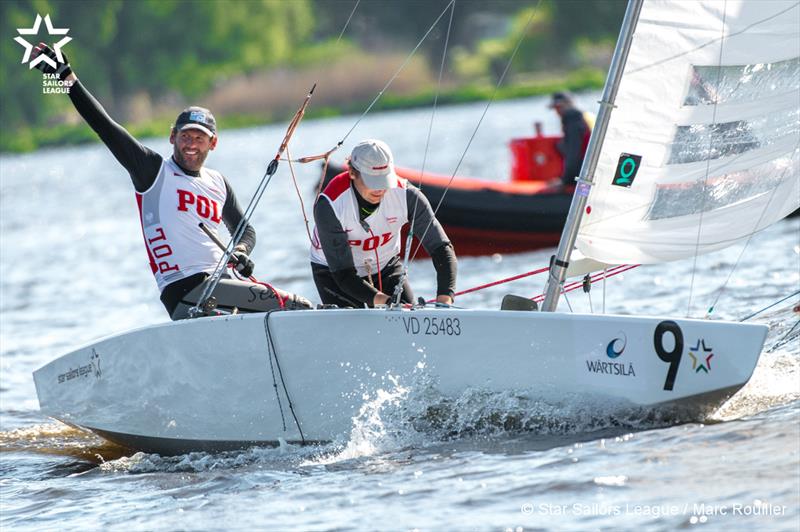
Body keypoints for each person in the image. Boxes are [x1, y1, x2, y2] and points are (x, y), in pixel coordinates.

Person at [30, 43, 312, 319]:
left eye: (199, 138)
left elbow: (244, 230)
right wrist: (67, 78)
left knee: (289, 313)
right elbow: (105, 126)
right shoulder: (152, 171)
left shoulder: (218, 183)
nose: (191, 144)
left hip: (223, 286)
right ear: (172, 137)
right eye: (185, 136)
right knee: (298, 307)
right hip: (185, 291)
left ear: (212, 144)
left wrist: (240, 250)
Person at [310, 139, 456, 308]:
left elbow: (442, 248)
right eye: (372, 182)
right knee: (359, 329)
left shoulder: (408, 196)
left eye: (384, 180)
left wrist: (445, 300)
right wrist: (387, 302)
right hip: (335, 273)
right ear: (352, 173)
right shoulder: (330, 205)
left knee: (407, 318)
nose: (379, 189)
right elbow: (344, 275)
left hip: (386, 266)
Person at [549, 91, 592, 189]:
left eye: (559, 107)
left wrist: (564, 181)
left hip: (584, 175)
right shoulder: (584, 116)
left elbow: (574, 154)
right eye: (555, 108)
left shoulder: (573, 120)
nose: (557, 111)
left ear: (569, 103)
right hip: (592, 171)